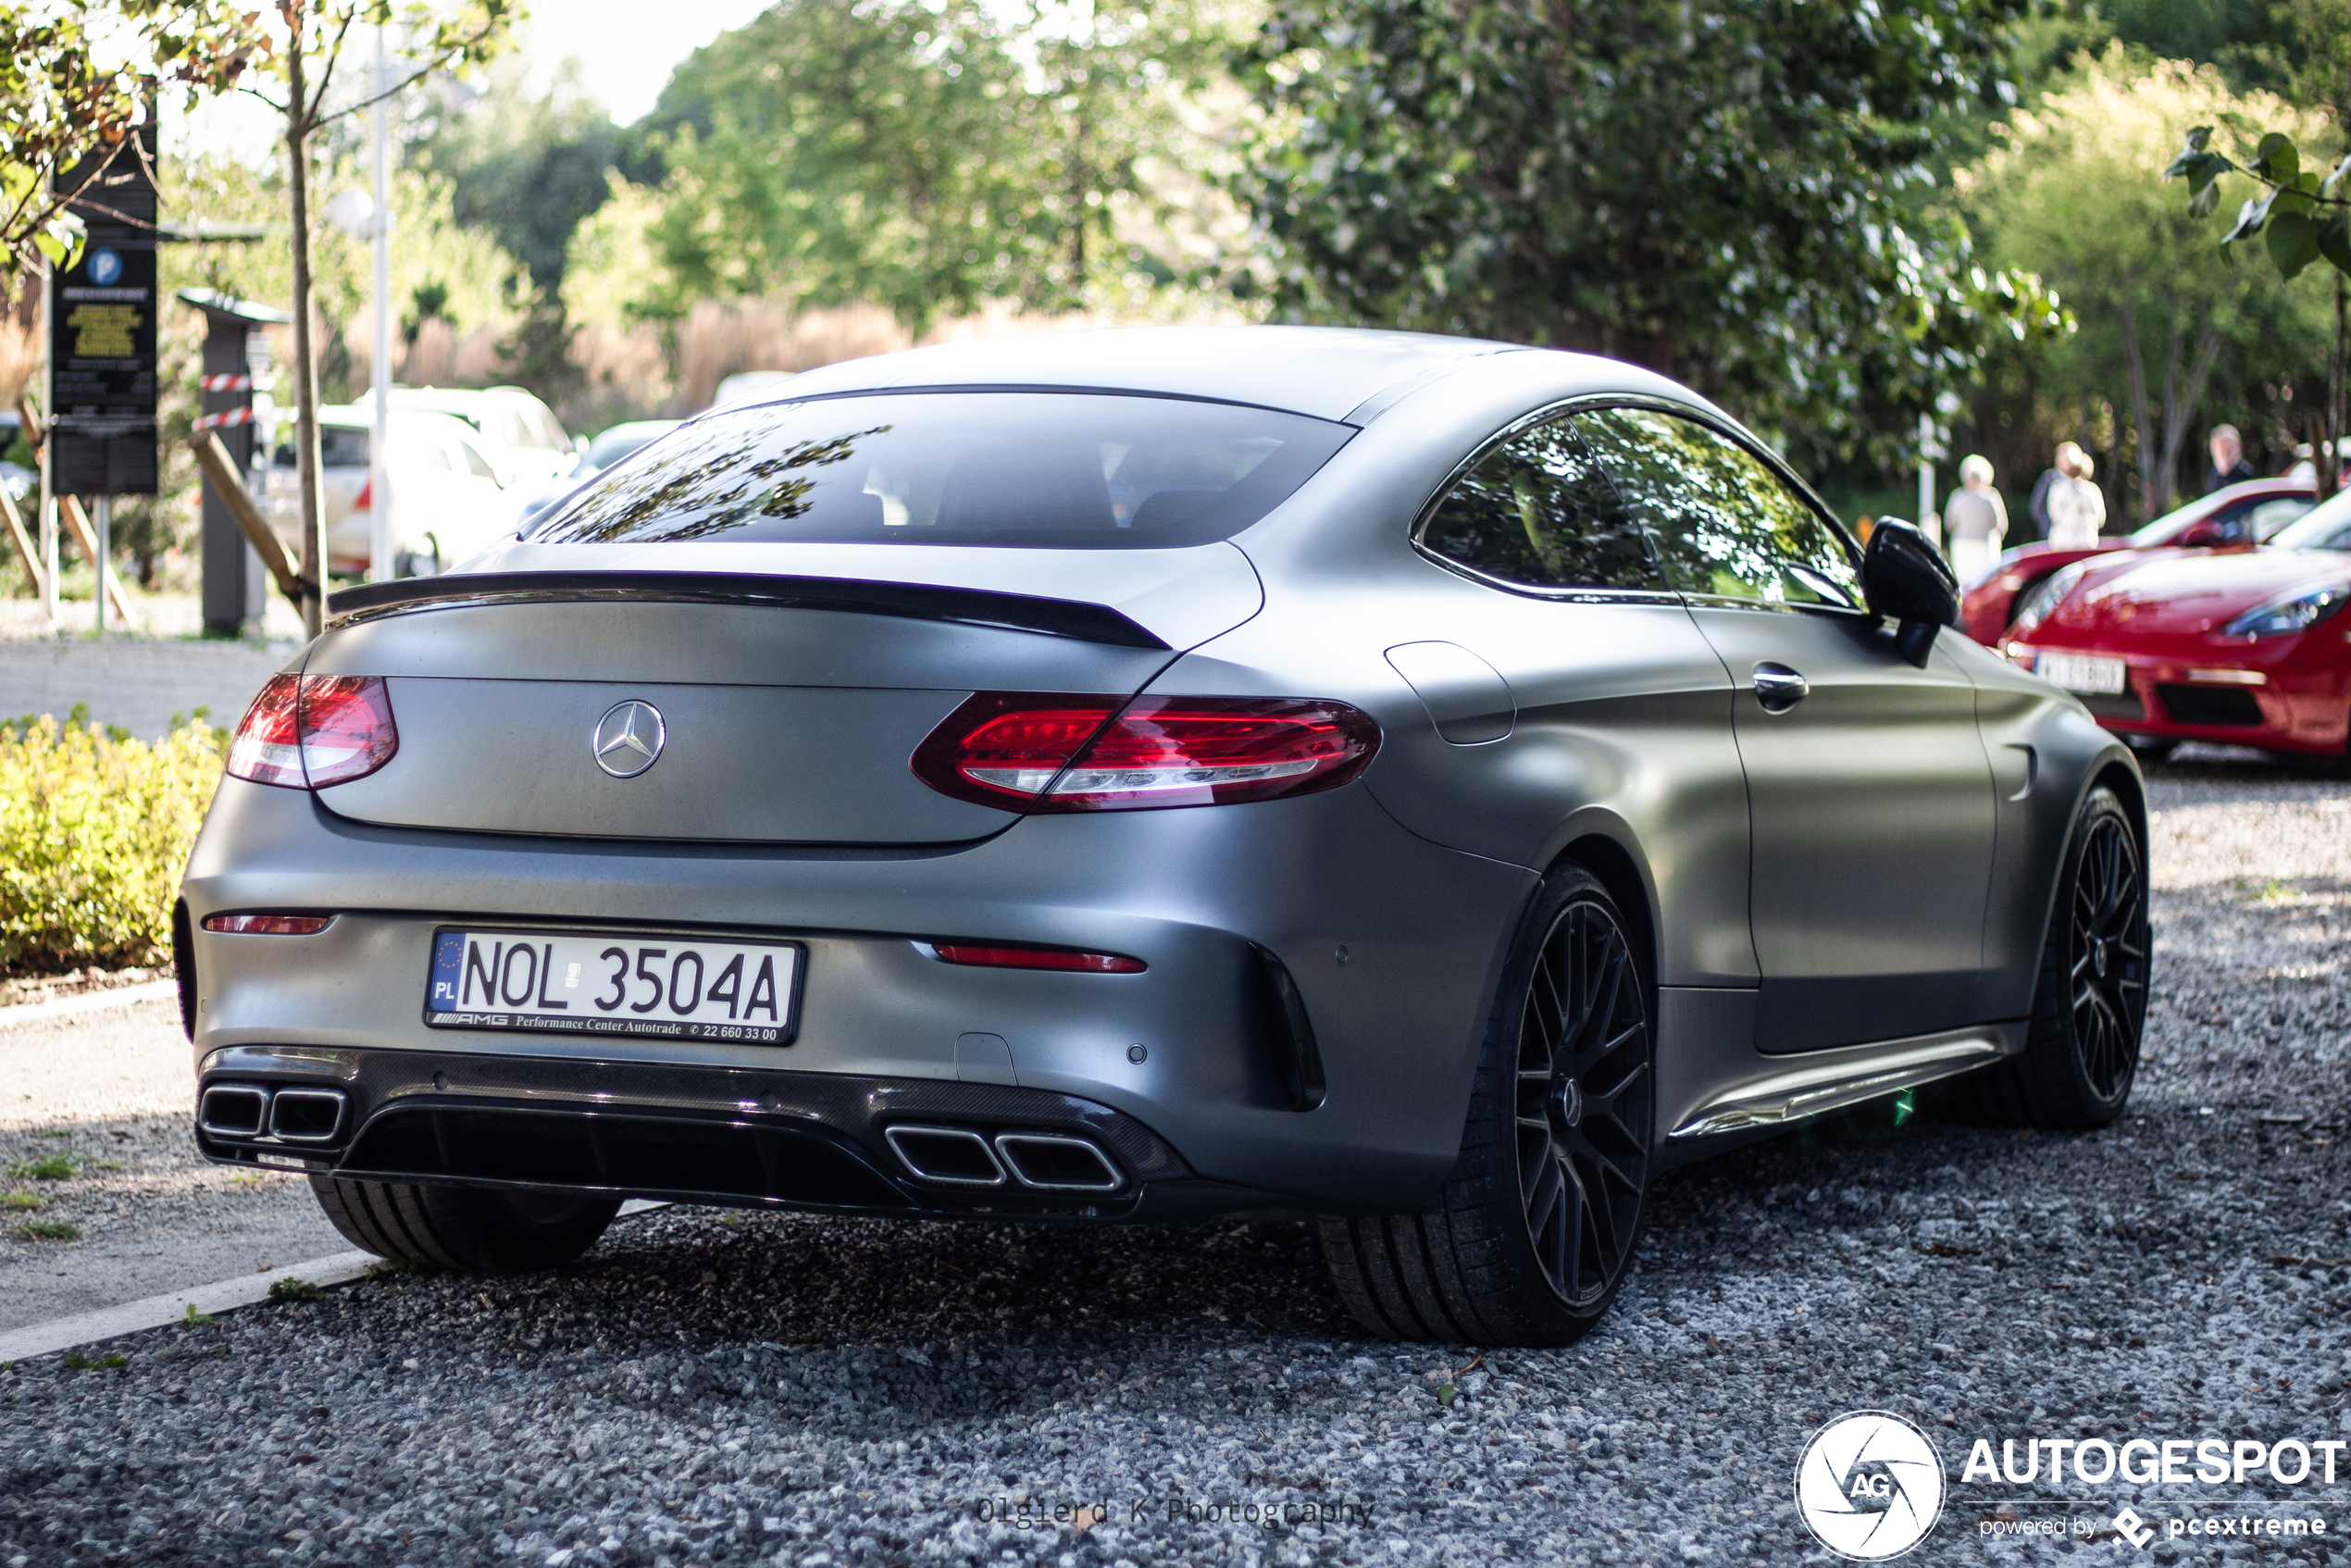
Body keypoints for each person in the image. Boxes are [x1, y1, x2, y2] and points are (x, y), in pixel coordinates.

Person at [1944, 454, 2009, 584]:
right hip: (1985, 546)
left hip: (1962, 547)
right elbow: (2001, 525)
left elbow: (1949, 524)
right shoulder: (1991, 496)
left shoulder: (1957, 496)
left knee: (1964, 584)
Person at [2046, 442, 2106, 548]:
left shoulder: (2058, 489)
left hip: (2077, 545)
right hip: (2070, 544)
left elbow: (2100, 519)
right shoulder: (2059, 488)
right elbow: (2100, 519)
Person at [2204, 425, 2255, 494]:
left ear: (2238, 448)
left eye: (2228, 451)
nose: (2223, 456)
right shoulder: (2214, 474)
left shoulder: (2246, 474)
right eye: (2220, 451)